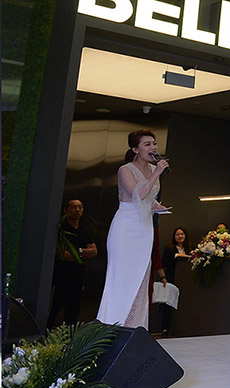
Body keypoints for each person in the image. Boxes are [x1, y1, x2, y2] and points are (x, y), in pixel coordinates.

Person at [97, 130, 170, 328]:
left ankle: (135, 327)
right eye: (147, 144)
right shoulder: (125, 169)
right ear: (135, 149)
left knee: (140, 279)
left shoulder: (154, 169)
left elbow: (148, 198)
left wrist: (157, 206)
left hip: (144, 229)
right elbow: (137, 194)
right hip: (126, 228)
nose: (153, 148)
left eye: (154, 143)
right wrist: (156, 173)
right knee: (121, 278)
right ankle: (112, 327)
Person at [48, 199, 98, 327]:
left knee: (73, 309)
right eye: (74, 207)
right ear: (66, 210)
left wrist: (77, 252)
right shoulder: (61, 228)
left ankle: (69, 335)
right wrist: (83, 253)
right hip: (61, 275)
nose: (77, 210)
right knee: (54, 308)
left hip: (78, 276)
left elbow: (94, 251)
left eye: (80, 207)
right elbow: (63, 255)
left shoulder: (84, 230)